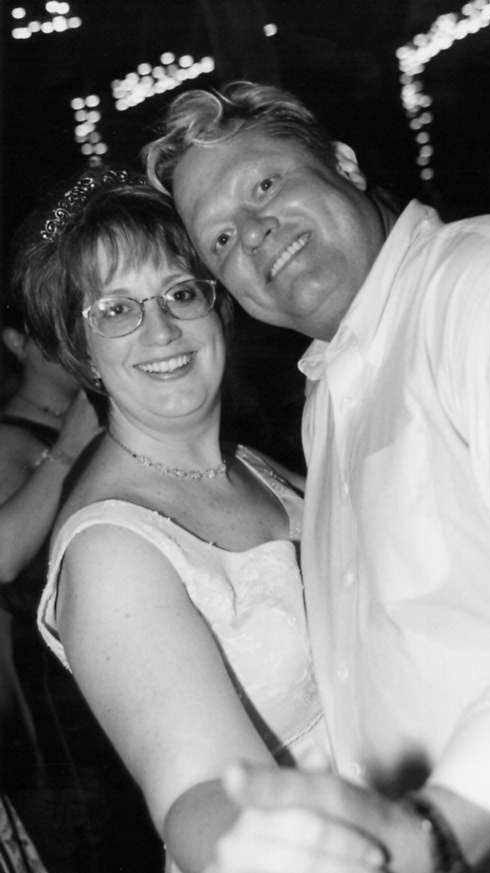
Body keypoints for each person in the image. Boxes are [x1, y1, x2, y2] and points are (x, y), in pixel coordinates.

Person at [143, 80, 490, 872]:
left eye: (264, 185)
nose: (253, 234)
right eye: (220, 239)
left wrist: (434, 831)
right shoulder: (327, 395)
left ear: (344, 163)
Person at [19, 167, 334, 873]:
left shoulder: (250, 464)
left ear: (217, 307)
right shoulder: (112, 551)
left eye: (180, 293)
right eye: (115, 309)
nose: (160, 330)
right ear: (81, 349)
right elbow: (201, 794)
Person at [0, 286, 101, 873]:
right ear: (16, 342)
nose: (72, 341)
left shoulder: (99, 416)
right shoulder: (9, 438)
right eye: (50, 329)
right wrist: (69, 446)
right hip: (61, 700)